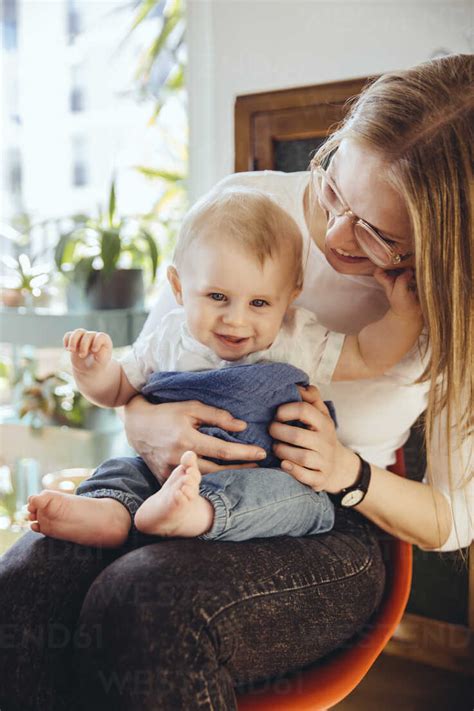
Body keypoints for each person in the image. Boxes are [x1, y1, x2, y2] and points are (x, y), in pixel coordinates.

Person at [0, 54, 472, 711]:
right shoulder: (240, 210)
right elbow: (151, 367)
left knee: (145, 600)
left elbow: (453, 518)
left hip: (320, 512)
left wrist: (349, 472)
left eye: (377, 233)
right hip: (170, 475)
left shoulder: (446, 308)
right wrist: (147, 421)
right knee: (26, 578)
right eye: (335, 186)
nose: (335, 233)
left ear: (439, 246)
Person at [26, 188, 421, 547]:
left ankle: (198, 513)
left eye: (260, 304)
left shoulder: (294, 336)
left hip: (264, 473)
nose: (236, 320)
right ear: (179, 288)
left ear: (291, 296)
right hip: (166, 472)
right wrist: (92, 369)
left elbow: (368, 355)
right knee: (122, 470)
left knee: (304, 501)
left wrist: (404, 315)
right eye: (218, 297)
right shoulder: (170, 336)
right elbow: (117, 391)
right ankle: (109, 512)